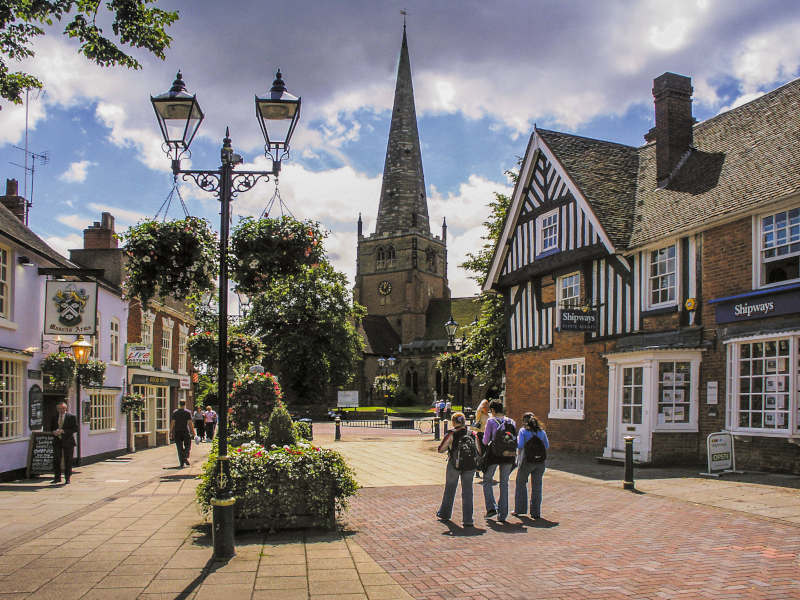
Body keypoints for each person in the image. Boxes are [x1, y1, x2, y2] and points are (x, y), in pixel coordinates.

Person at [436, 412, 478, 527]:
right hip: (470, 465)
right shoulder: (472, 434)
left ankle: (445, 514)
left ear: (454, 422)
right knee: (468, 491)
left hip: (454, 464)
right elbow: (478, 450)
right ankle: (468, 519)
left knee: (450, 489)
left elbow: (441, 449)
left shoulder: (452, 433)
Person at [482, 401, 516, 523]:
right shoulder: (511, 422)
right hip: (508, 455)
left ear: (493, 410)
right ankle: (503, 515)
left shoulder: (491, 421)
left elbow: (485, 441)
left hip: (494, 455)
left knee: (487, 480)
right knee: (504, 483)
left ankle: (491, 507)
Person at [514, 412, 550, 519]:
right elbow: (546, 445)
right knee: (537, 487)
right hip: (540, 462)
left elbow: (520, 445)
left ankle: (520, 510)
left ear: (524, 421)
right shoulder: (542, 432)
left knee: (521, 484)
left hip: (527, 461)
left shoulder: (523, 431)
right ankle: (536, 512)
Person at [49, 401, 78, 484]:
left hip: (68, 441)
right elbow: (51, 427)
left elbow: (75, 429)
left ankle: (67, 478)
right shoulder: (54, 417)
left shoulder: (71, 417)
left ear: (66, 408)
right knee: (56, 459)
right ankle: (57, 478)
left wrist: (63, 431)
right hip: (57, 441)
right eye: (59, 409)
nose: (60, 410)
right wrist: (54, 432)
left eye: (62, 408)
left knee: (68, 460)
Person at [170, 400, 196, 468]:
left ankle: (181, 463)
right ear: (185, 404)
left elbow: (173, 422)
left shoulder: (175, 412)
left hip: (177, 431)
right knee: (188, 445)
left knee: (179, 447)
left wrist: (170, 432)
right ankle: (185, 456)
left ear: (179, 404)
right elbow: (190, 423)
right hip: (185, 431)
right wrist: (193, 432)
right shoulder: (188, 412)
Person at [473, 399, 490, 480]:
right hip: (479, 435)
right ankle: (477, 470)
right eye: (485, 406)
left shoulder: (489, 416)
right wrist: (483, 403)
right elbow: (478, 409)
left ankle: (484, 470)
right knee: (480, 452)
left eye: (487, 406)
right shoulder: (479, 414)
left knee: (486, 453)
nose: (486, 407)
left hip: (487, 436)